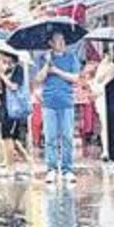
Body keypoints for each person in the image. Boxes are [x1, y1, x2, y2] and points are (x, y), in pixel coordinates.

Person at [38, 28, 82, 185]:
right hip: (49, 102)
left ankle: (67, 169)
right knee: (50, 137)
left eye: (63, 40)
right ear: (51, 43)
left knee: (67, 137)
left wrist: (56, 70)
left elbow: (75, 78)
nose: (62, 44)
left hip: (66, 102)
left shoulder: (71, 58)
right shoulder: (43, 58)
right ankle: (51, 169)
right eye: (58, 41)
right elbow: (39, 79)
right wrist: (47, 63)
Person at [0, 52, 34, 173]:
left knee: (7, 137)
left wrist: (2, 76)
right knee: (9, 137)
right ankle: (28, 160)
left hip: (13, 107)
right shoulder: (6, 69)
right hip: (4, 104)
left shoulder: (18, 69)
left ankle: (10, 166)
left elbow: (14, 87)